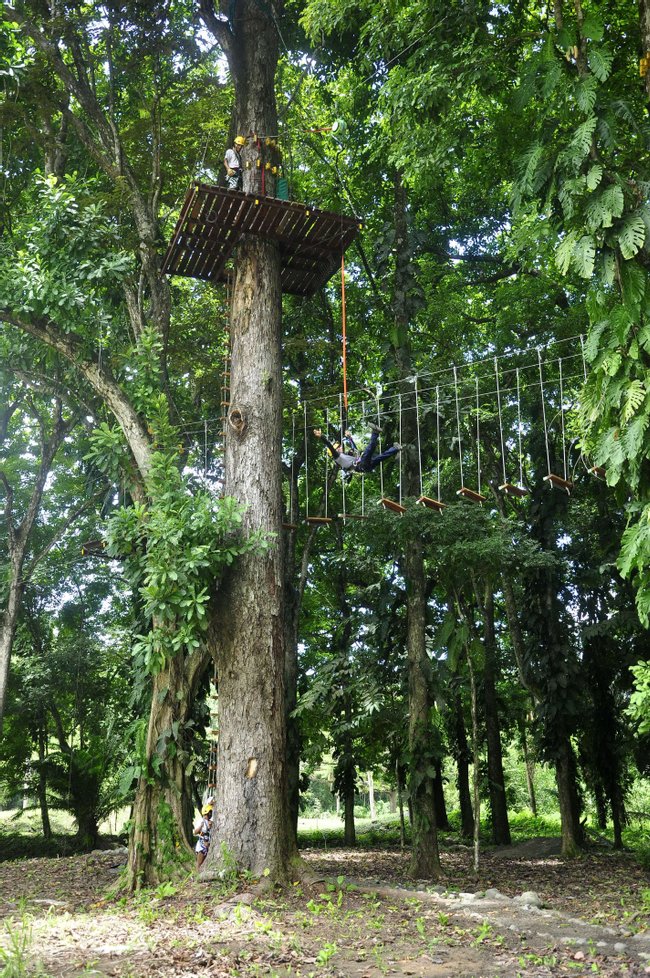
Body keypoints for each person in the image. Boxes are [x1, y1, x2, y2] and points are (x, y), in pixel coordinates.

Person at [314, 424, 401, 477]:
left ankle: (395, 449)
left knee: (380, 457)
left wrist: (350, 438)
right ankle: (375, 433)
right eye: (338, 448)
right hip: (361, 465)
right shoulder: (337, 457)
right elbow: (329, 446)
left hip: (365, 466)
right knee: (369, 449)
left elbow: (356, 451)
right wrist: (322, 437)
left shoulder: (346, 456)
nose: (340, 447)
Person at [193, 799, 213, 869]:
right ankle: (197, 876)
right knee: (199, 863)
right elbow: (195, 832)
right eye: (210, 812)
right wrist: (201, 826)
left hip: (209, 844)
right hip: (202, 845)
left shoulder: (210, 822)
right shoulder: (201, 821)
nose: (211, 814)